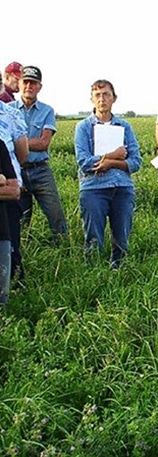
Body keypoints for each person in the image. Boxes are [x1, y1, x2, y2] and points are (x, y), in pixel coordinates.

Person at [74, 80, 142, 269]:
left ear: (114, 98)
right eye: (97, 95)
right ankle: (94, 274)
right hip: (93, 188)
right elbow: (85, 163)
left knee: (122, 237)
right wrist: (115, 156)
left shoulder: (124, 126)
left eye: (106, 94)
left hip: (122, 188)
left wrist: (109, 163)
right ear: (92, 99)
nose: (102, 99)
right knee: (93, 238)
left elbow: (136, 162)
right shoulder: (83, 127)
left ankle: (118, 273)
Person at [10, 65, 68, 240]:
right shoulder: (7, 109)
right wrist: (27, 142)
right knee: (19, 219)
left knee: (56, 214)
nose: (29, 86)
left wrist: (17, 141)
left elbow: (44, 143)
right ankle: (21, 254)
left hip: (40, 170)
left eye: (33, 83)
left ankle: (64, 249)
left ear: (39, 87)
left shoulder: (47, 111)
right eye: (26, 82)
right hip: (16, 170)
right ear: (20, 84)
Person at [0, 79, 28, 282]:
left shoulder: (10, 115)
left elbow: (21, 154)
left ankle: (12, 292)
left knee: (9, 249)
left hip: (8, 192)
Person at [0, 139, 20, 305]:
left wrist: (4, 182)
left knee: (2, 298)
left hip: (1, 233)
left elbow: (14, 191)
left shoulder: (0, 146)